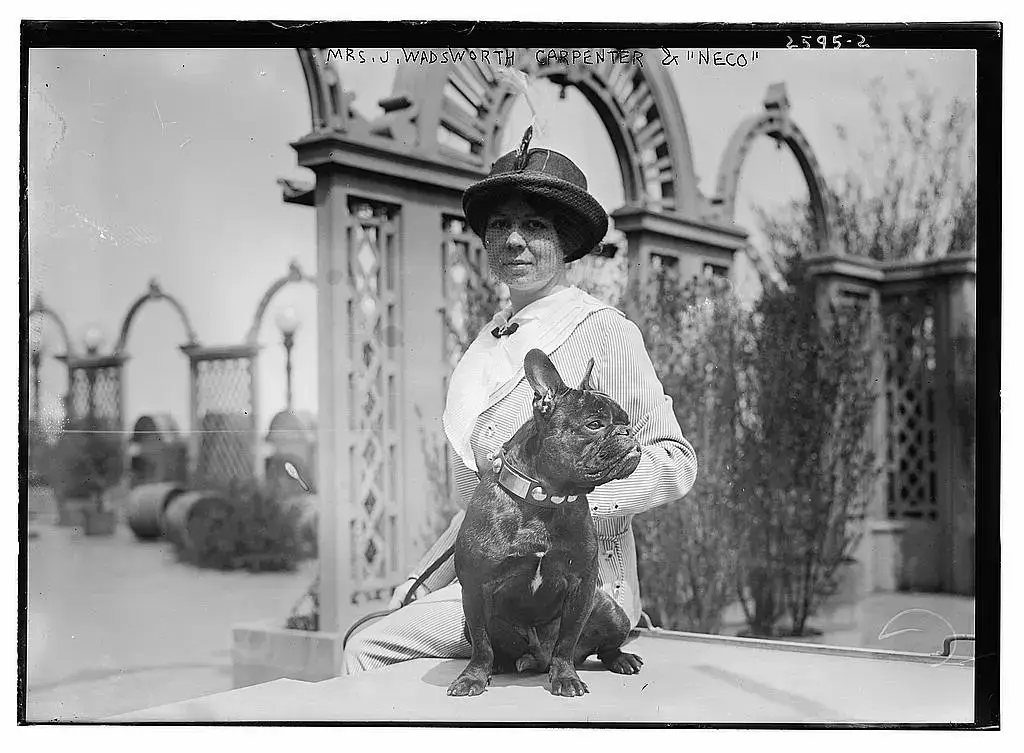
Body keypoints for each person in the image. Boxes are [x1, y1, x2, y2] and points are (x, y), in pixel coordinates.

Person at [343, 129, 698, 674]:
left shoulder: (603, 333)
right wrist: (419, 581)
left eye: (535, 226)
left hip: (578, 591)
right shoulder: (487, 347)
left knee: (368, 649)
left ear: (567, 243)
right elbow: (488, 503)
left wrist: (570, 501)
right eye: (501, 225)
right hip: (500, 582)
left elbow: (675, 460)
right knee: (377, 623)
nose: (514, 241)